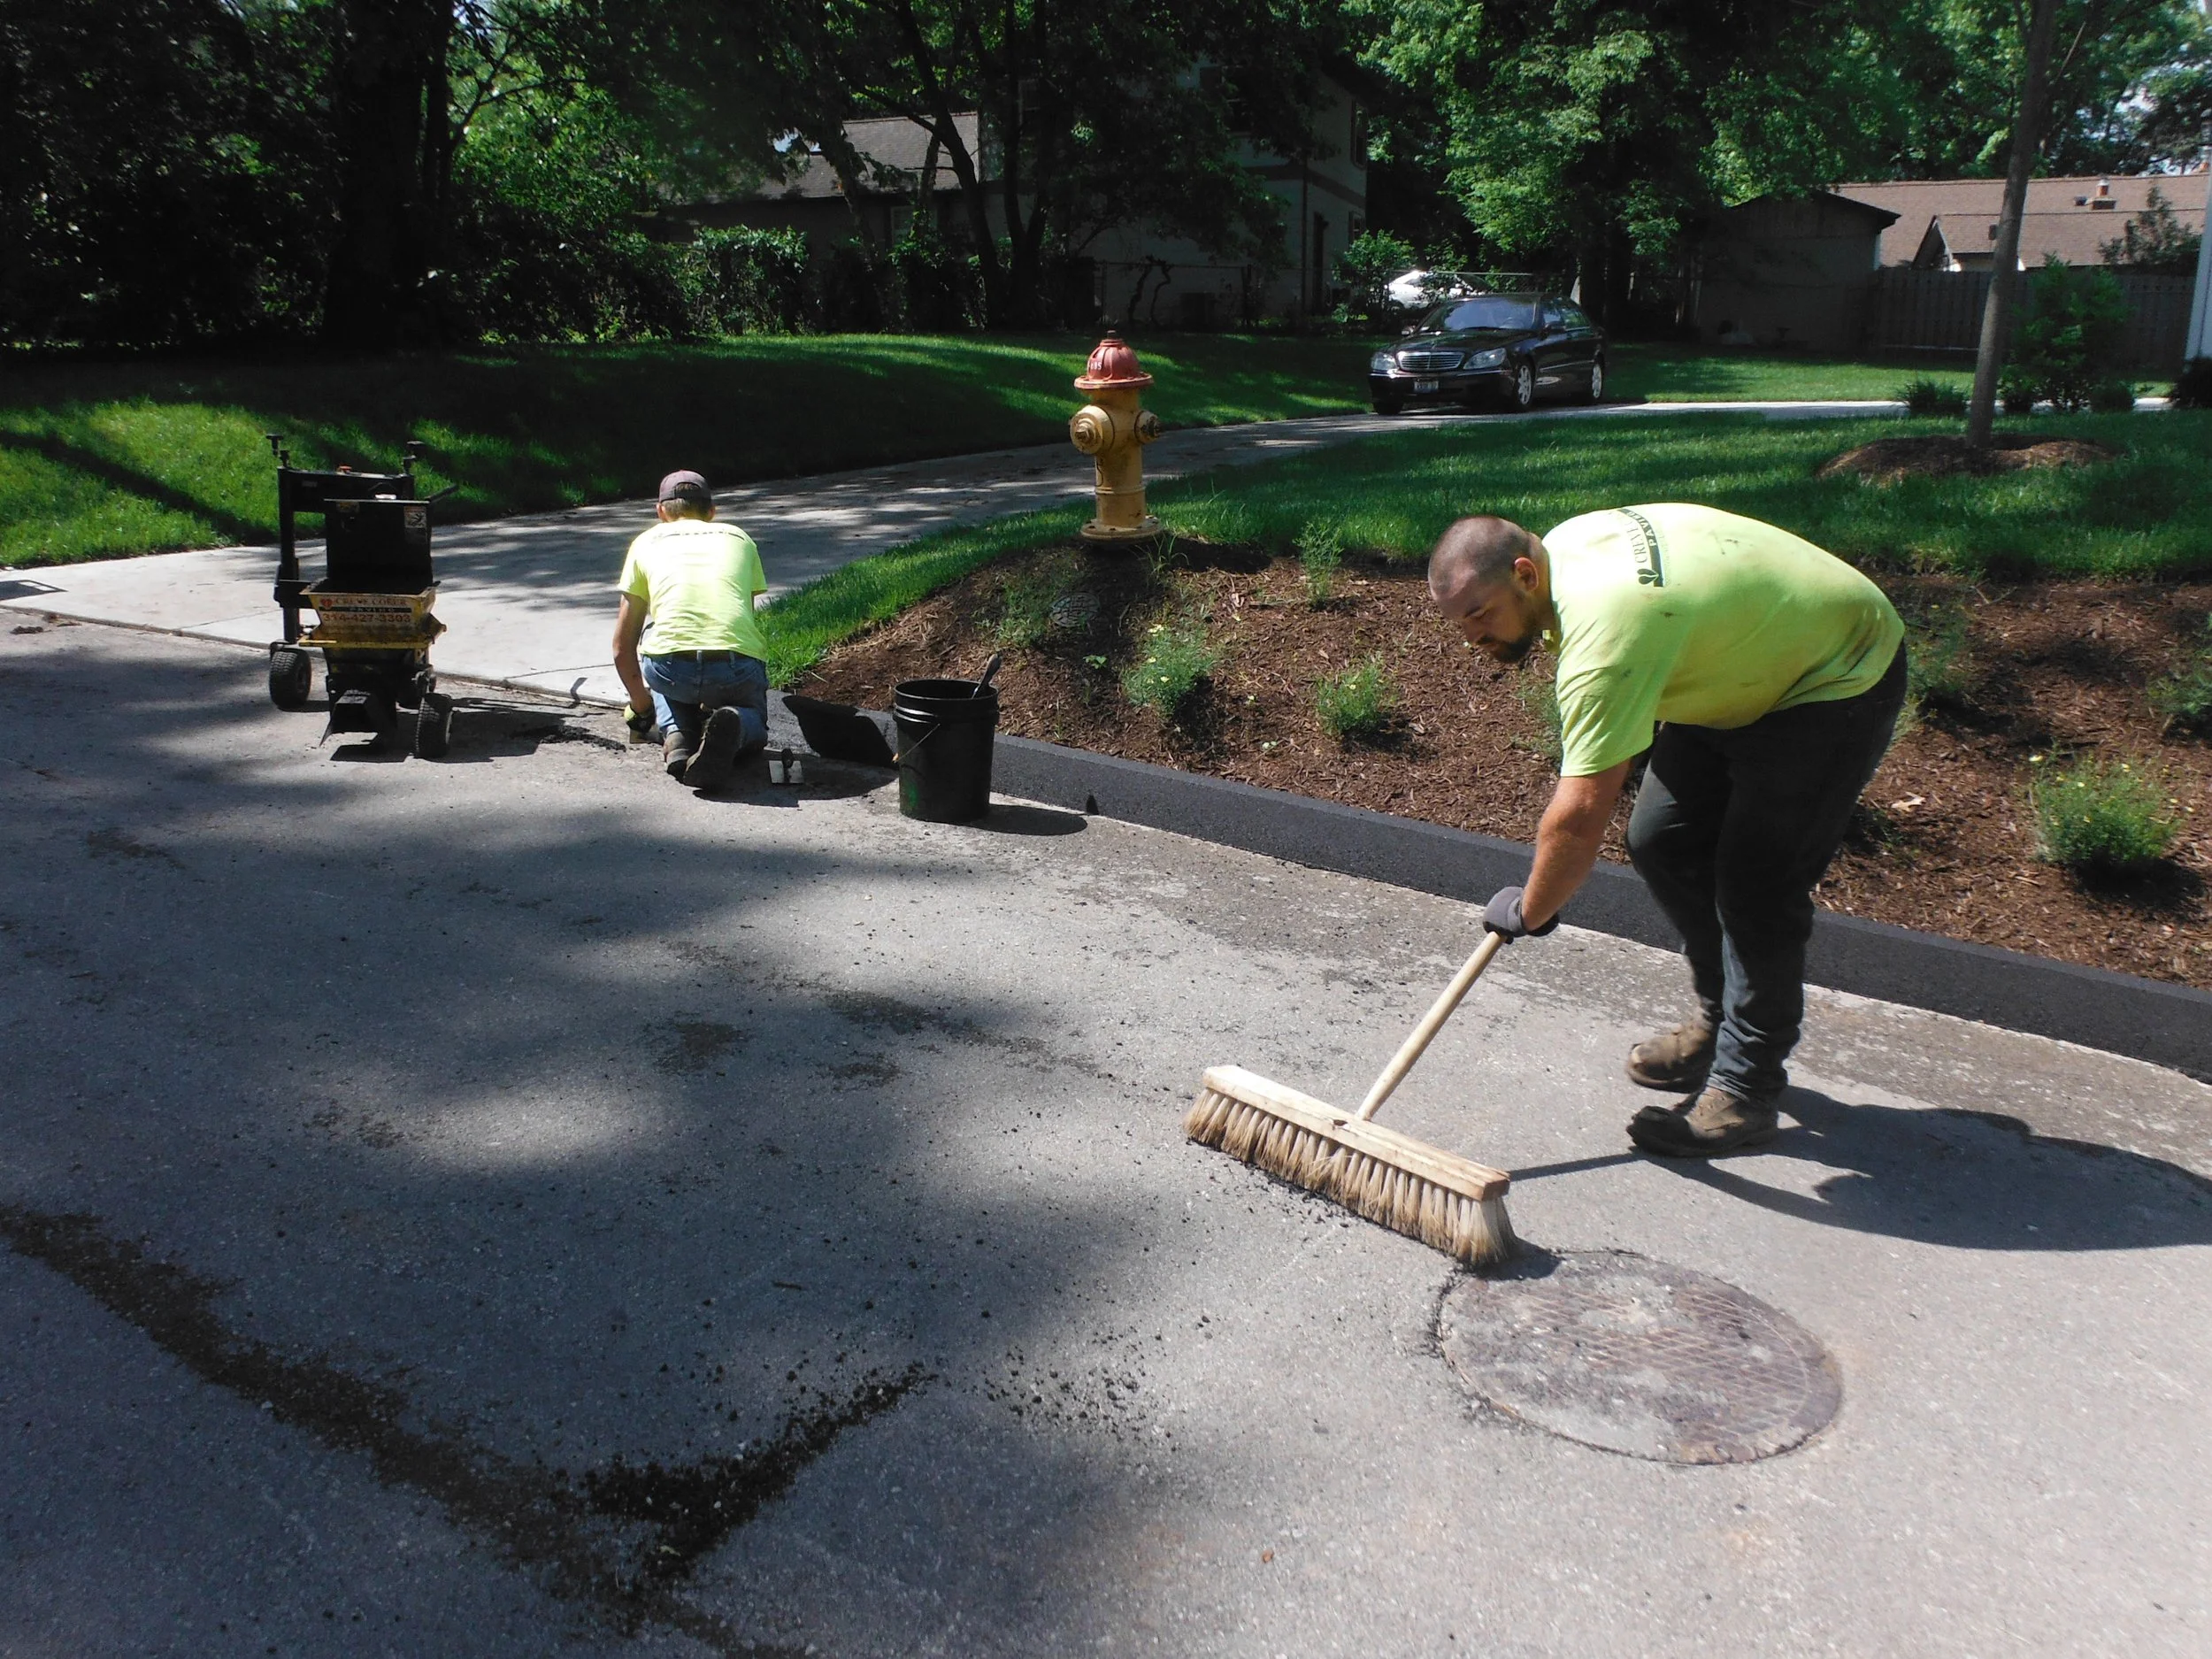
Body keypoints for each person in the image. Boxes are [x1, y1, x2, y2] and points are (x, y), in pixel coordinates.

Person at [1427, 503, 1905, 1157]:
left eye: (1480, 615)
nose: (1471, 638)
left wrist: (1530, 909)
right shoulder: (1557, 553)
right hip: (1738, 658)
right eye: (1459, 624)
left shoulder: (1605, 631)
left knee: (1756, 882)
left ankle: (1747, 1086)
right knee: (1661, 838)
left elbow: (1582, 810)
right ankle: (1720, 1018)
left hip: (1832, 671)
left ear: (1523, 574)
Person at [612, 470, 771, 792]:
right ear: (712, 512)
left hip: (671, 669)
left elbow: (621, 647)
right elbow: (741, 620)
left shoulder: (644, 543)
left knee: (657, 638)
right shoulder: (740, 539)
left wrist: (642, 708)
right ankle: (738, 725)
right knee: (755, 718)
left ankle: (677, 736)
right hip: (734, 668)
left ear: (660, 512)